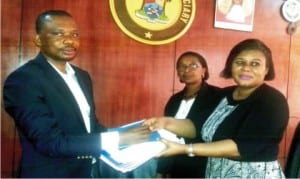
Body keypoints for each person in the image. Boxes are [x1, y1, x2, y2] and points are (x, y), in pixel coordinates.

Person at [3, 10, 151, 178]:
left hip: (88, 172)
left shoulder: (82, 77)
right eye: (58, 34)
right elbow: (50, 142)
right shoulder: (23, 80)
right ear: (38, 40)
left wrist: (138, 132)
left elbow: (90, 128)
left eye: (74, 34)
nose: (69, 41)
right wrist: (119, 139)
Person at [144, 39, 289, 178]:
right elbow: (196, 126)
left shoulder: (273, 101)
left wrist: (185, 149)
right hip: (215, 172)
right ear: (230, 66)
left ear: (266, 69)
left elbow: (241, 148)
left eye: (255, 64)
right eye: (239, 62)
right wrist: (164, 122)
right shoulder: (222, 95)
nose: (246, 68)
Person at [154, 51, 221, 178]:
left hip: (204, 162)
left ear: (204, 70)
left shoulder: (218, 96)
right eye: (181, 66)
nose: (187, 69)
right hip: (174, 160)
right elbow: (168, 134)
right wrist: (161, 171)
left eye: (193, 65)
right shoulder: (174, 100)